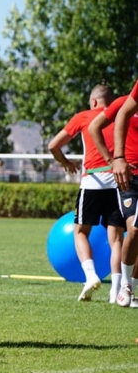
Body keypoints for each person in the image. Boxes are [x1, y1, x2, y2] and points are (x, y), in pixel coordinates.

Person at [47, 84, 124, 302]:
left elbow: (53, 145)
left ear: (93, 101)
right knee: (116, 239)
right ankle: (116, 290)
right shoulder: (121, 116)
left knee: (80, 232)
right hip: (117, 181)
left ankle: (90, 276)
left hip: (92, 180)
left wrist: (65, 162)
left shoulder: (83, 117)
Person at [88, 79, 138, 307]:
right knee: (133, 229)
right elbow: (94, 127)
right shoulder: (122, 104)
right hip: (129, 176)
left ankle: (131, 287)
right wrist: (114, 160)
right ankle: (124, 285)